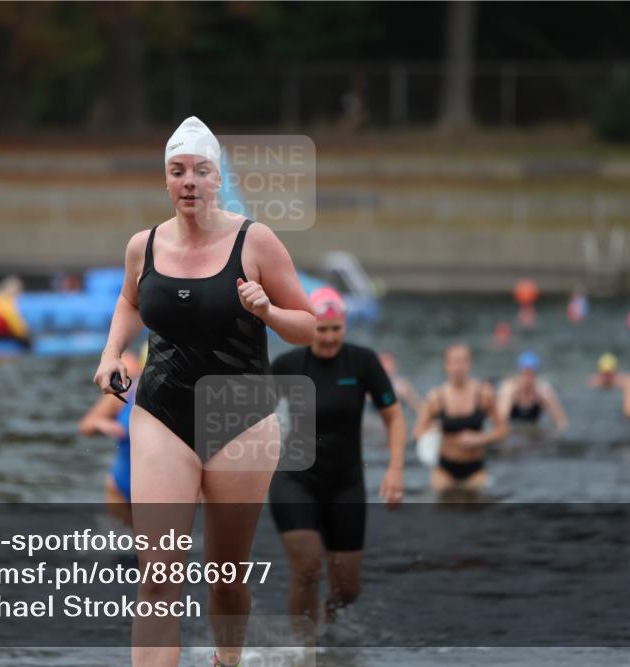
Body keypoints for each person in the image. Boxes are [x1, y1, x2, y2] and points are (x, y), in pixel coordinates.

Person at [92, 116, 315, 667]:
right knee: (157, 580)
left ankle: (227, 660)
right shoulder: (142, 246)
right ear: (165, 182)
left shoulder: (254, 240)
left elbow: (311, 326)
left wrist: (268, 310)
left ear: (217, 179)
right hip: (161, 414)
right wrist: (112, 351)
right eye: (177, 172)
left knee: (225, 581)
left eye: (200, 170)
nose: (188, 181)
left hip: (240, 417)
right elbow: (129, 303)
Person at [268, 287, 406, 642]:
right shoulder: (288, 366)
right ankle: (303, 648)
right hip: (294, 478)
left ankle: (327, 617)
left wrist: (394, 470)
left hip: (345, 481)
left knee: (348, 588)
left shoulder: (362, 363)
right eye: (321, 329)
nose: (328, 337)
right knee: (308, 566)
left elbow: (394, 417)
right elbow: (251, 418)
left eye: (335, 329)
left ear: (344, 326)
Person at [412, 344, 507, 493]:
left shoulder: (484, 394)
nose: (458, 367)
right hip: (445, 469)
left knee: (477, 510)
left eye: (463, 362)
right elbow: (417, 432)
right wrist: (435, 429)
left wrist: (480, 438)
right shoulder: (436, 397)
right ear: (446, 366)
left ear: (470, 365)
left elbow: (503, 430)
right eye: (454, 362)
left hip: (475, 468)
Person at [79, 347, 145, 526]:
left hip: (164, 489)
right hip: (121, 487)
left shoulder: (182, 397)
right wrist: (102, 424)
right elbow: (86, 425)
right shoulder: (125, 393)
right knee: (120, 550)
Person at [497, 351, 568, 434]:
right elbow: (500, 422)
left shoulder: (542, 390)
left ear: (536, 374)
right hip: (513, 430)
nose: (528, 378)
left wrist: (556, 435)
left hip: (533, 431)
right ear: (519, 372)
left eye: (531, 374)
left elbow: (561, 421)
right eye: (525, 373)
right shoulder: (509, 389)